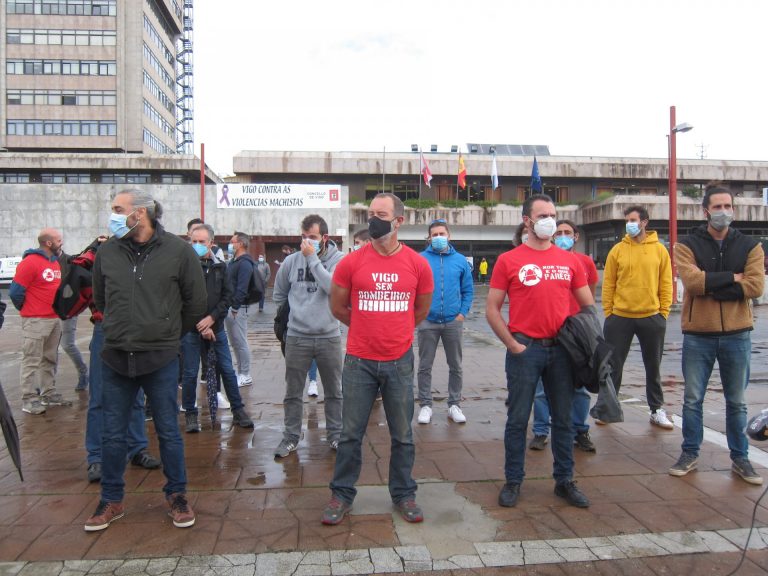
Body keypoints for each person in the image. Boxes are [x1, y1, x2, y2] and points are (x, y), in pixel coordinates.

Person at [86, 189, 207, 532]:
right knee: (112, 434)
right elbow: (100, 297)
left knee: (169, 431)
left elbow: (195, 302)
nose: (112, 214)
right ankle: (111, 499)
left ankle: (177, 495)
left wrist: (166, 333)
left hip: (160, 357)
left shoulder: (179, 251)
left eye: (117, 209)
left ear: (140, 213)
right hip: (116, 355)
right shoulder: (108, 251)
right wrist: (121, 328)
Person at [322, 192, 433, 525]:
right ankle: (341, 495)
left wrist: (395, 330)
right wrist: (367, 328)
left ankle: (403, 494)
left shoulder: (417, 264)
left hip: (399, 361)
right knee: (350, 434)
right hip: (359, 361)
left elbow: (421, 309)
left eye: (381, 214)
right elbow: (337, 307)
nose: (373, 219)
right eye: (370, 213)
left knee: (402, 434)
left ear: (398, 221)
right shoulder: (352, 261)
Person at [486, 194, 594, 509]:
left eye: (553, 214)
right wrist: (512, 343)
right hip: (525, 349)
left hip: (562, 352)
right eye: (543, 214)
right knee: (518, 419)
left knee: (563, 419)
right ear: (527, 221)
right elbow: (492, 309)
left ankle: (565, 481)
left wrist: (582, 341)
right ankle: (513, 481)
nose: (550, 220)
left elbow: (588, 305)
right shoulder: (509, 260)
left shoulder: (571, 261)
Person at [669, 183, 765, 485]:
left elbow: (755, 287)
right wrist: (732, 280)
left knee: (737, 401)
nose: (723, 212)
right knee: (692, 399)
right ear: (706, 210)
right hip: (699, 334)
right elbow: (693, 283)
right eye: (718, 207)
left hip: (738, 335)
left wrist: (714, 285)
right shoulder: (687, 244)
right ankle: (689, 452)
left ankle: (740, 458)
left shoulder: (750, 245)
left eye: (728, 206)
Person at [273, 214, 344, 458]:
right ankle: (291, 437)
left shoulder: (339, 260)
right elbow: (280, 295)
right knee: (293, 392)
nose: (306, 242)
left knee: (334, 390)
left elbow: (333, 288)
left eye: (312, 238)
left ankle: (335, 435)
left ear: (324, 237)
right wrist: (291, 319)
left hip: (329, 336)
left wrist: (312, 259)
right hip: (297, 336)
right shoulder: (291, 262)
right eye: (303, 237)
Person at [530, 220, 599, 453]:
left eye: (567, 233)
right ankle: (541, 431)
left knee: (579, 386)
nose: (562, 236)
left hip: (576, 334)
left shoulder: (585, 262)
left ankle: (580, 430)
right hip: (547, 333)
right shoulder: (540, 258)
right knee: (541, 389)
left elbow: (588, 295)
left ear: (576, 236)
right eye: (559, 232)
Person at [602, 205, 673, 429]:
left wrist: (663, 313)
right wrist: (609, 312)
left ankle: (657, 409)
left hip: (651, 317)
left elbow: (666, 283)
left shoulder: (659, 250)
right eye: (627, 220)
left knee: (653, 366)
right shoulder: (617, 250)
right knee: (613, 365)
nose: (629, 224)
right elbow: (608, 283)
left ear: (644, 222)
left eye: (633, 219)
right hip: (619, 317)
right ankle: (608, 409)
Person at [181, 224, 254, 432]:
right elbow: (183, 300)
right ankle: (191, 413)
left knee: (227, 370)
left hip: (217, 328)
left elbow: (226, 297)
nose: (197, 245)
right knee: (190, 372)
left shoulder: (221, 268)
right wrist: (201, 324)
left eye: (201, 242)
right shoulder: (185, 268)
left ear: (211, 243)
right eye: (193, 241)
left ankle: (238, 410)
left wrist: (212, 319)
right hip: (192, 330)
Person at [416, 219, 473, 424]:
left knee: (455, 365)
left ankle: (454, 404)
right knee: (424, 365)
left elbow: (468, 290)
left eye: (442, 234)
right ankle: (425, 405)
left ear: (449, 235)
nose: (438, 237)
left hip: (453, 322)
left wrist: (462, 314)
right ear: (429, 237)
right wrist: (418, 314)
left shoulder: (460, 261)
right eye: (434, 234)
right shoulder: (420, 259)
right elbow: (414, 288)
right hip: (427, 322)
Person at [10, 228, 72, 415]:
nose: (62, 243)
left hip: (53, 319)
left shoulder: (54, 263)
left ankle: (48, 393)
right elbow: (15, 292)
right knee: (31, 360)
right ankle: (28, 399)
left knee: (49, 358)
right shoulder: (29, 263)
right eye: (59, 240)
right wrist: (29, 311)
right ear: (48, 243)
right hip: (36, 321)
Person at [225, 231, 256, 387]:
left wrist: (235, 307)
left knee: (240, 341)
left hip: (238, 308)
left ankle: (246, 374)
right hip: (231, 307)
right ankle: (241, 372)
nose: (230, 244)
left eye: (233, 241)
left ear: (241, 244)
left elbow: (242, 287)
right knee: (235, 342)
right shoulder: (233, 262)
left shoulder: (244, 263)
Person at [57, 250, 89, 392]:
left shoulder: (70, 261)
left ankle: (83, 372)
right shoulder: (44, 262)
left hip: (66, 309)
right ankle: (47, 386)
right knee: (49, 350)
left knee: (67, 344)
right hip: (48, 311)